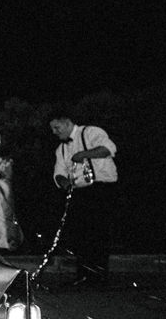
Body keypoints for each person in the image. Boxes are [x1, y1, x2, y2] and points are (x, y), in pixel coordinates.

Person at [49, 114, 118, 285]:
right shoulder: (61, 149)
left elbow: (109, 149)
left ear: (67, 122)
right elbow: (59, 173)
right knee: (81, 234)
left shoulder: (90, 132)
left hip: (101, 189)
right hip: (80, 192)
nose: (54, 132)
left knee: (100, 233)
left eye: (57, 128)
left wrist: (84, 154)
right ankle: (84, 274)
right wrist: (64, 183)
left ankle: (100, 275)